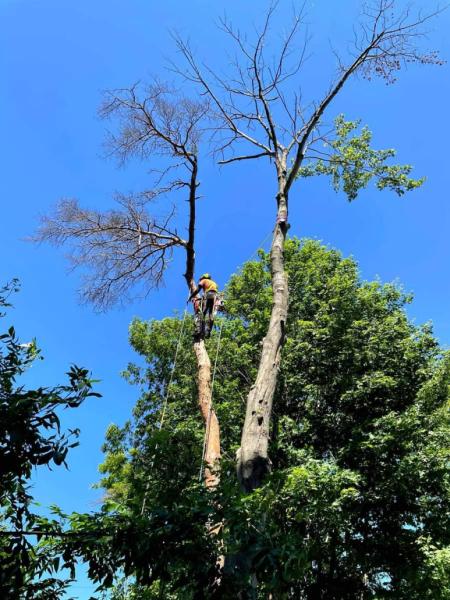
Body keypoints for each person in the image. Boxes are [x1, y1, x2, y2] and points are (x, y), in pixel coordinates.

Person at [189, 273, 219, 338]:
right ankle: (207, 332)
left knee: (202, 313)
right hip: (214, 296)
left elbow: (197, 290)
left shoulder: (204, 281)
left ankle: (198, 331)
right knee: (210, 314)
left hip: (208, 295)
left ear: (203, 277)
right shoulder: (213, 283)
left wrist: (191, 296)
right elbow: (213, 291)